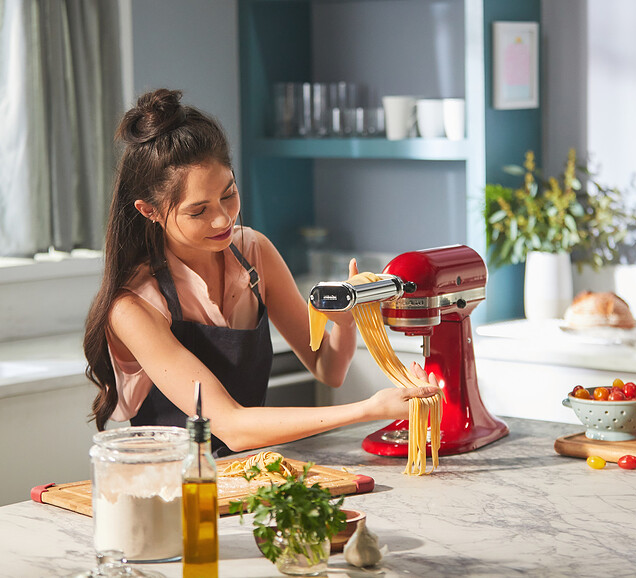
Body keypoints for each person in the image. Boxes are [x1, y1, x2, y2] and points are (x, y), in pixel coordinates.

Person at [83, 88, 439, 457]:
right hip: (174, 489)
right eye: (198, 210)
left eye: (229, 193)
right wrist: (370, 410)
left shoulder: (253, 253)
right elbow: (232, 426)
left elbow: (326, 368)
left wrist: (345, 323)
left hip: (248, 473)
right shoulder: (133, 307)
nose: (223, 218)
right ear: (149, 211)